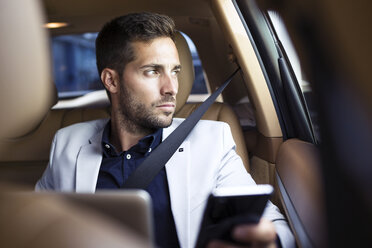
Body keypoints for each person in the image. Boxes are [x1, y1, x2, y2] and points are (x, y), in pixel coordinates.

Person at [36, 12, 295, 248]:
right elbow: (36, 225)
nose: (171, 87)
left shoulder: (212, 141)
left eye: (175, 71)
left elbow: (274, 225)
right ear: (111, 80)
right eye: (152, 71)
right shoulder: (68, 143)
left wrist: (269, 240)